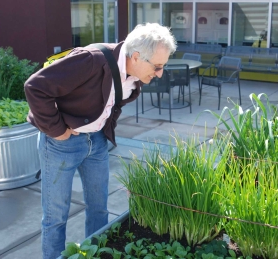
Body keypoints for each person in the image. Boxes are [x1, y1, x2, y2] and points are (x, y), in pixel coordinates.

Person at [24, 23, 177, 259]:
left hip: (96, 144)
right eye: (157, 67)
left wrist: (104, 128)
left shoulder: (135, 74)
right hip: (60, 145)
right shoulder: (91, 60)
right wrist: (57, 130)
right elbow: (35, 87)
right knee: (56, 217)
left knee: (99, 210)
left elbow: (112, 101)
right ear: (136, 57)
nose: (160, 74)